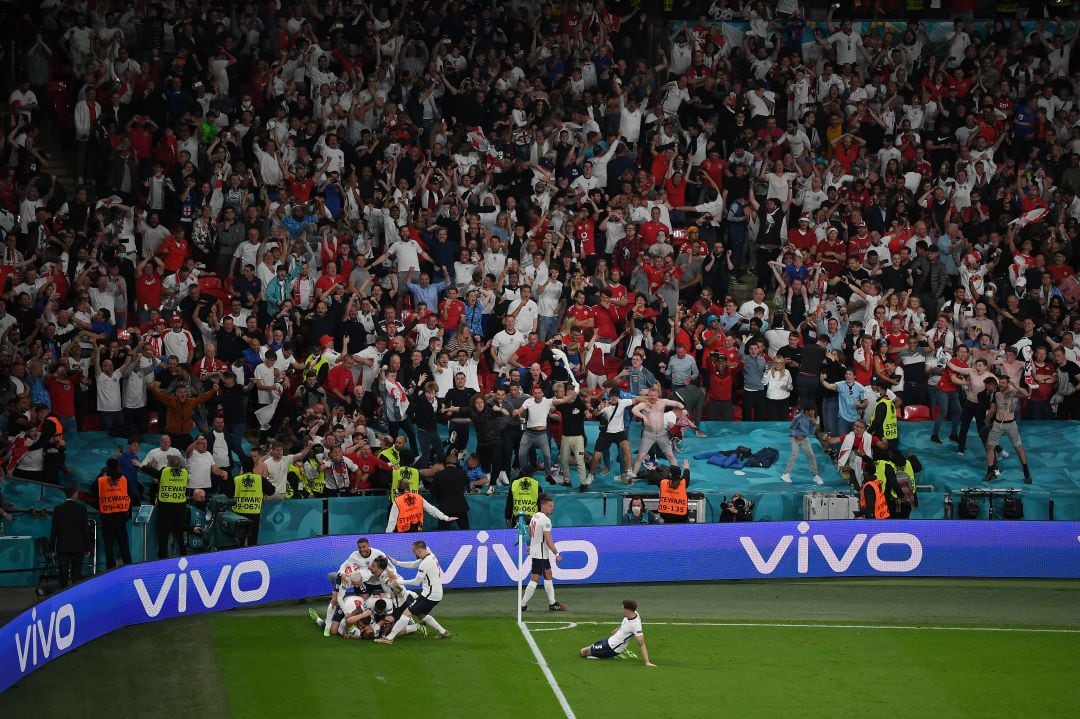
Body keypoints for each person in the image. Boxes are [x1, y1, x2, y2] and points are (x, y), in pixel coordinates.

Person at [376, 540, 453, 644]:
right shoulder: (429, 554)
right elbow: (414, 564)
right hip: (436, 593)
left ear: (420, 550)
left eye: (414, 551)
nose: (413, 553)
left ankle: (389, 638)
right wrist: (397, 563)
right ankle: (443, 631)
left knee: (407, 613)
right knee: (421, 614)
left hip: (429, 595)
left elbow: (416, 582)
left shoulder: (425, 563)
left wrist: (399, 581)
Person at [520, 495, 568, 612]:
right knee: (535, 578)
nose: (552, 508)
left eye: (552, 506)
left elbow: (529, 531)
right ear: (543, 506)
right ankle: (522, 604)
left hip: (539, 552)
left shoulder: (535, 516)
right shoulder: (546, 520)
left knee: (548, 573)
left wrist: (529, 545)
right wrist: (556, 554)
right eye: (550, 506)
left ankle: (552, 603)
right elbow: (548, 539)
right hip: (540, 553)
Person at [88, 457, 138, 569]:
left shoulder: (101, 480)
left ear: (107, 466)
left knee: (109, 545)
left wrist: (101, 474)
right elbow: (130, 494)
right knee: (123, 543)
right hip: (121, 515)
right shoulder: (124, 479)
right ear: (118, 466)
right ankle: (128, 565)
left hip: (107, 516)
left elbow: (92, 490)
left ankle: (110, 569)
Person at [984, 375, 1034, 484]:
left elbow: (1027, 394)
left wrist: (1016, 386)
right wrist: (987, 419)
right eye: (1000, 382)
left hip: (1011, 425)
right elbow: (993, 409)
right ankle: (990, 472)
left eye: (1003, 383)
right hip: (997, 424)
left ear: (1008, 383)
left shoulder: (1013, 393)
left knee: (1019, 448)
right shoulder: (995, 393)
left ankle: (1026, 472)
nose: (1001, 385)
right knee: (990, 447)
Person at [579, 599, 655, 667]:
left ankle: (608, 655)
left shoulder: (635, 625)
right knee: (591, 646)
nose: (622, 610)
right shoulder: (634, 613)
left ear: (628, 610)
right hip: (610, 640)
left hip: (611, 648)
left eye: (623, 609)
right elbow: (626, 624)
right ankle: (599, 653)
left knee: (583, 652)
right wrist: (618, 629)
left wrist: (647, 662)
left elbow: (642, 644)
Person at [629, 390, 685, 479]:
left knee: (670, 455)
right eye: (650, 395)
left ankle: (677, 476)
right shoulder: (644, 404)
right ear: (648, 395)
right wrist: (643, 416)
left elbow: (677, 403)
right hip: (648, 434)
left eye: (654, 395)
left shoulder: (663, 402)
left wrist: (684, 410)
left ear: (658, 395)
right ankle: (632, 478)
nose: (652, 397)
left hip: (661, 434)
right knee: (640, 456)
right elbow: (634, 410)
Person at [227, 457, 275, 546]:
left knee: (239, 542)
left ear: (242, 467)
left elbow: (228, 494)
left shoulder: (236, 479)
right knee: (252, 541)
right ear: (253, 466)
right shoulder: (260, 479)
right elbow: (271, 491)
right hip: (254, 514)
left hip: (238, 515)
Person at [50, 484, 90, 588]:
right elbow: (85, 529)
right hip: (78, 546)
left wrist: (51, 547)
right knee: (76, 574)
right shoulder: (82, 508)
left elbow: (54, 530)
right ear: (74, 493)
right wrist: (88, 547)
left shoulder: (58, 509)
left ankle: (63, 593)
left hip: (63, 546)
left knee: (63, 574)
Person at [385, 479, 457, 533]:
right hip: (417, 531)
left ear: (400, 489)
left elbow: (392, 521)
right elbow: (431, 509)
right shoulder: (419, 497)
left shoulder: (397, 501)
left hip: (403, 533)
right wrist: (445, 517)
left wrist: (387, 535)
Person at [153, 455, 189, 558]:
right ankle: (184, 555)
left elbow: (153, 473)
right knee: (179, 534)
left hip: (166, 507)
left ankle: (162, 558)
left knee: (164, 534)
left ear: (169, 464)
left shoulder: (165, 471)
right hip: (180, 507)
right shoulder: (185, 473)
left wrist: (142, 466)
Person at [781, 406, 823, 485]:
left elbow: (811, 432)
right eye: (812, 411)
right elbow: (791, 428)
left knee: (811, 455)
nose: (813, 413)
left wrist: (813, 424)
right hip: (795, 438)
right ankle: (786, 474)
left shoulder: (811, 418)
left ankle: (816, 475)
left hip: (804, 439)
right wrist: (796, 435)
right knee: (794, 454)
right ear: (807, 411)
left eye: (814, 411)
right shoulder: (798, 417)